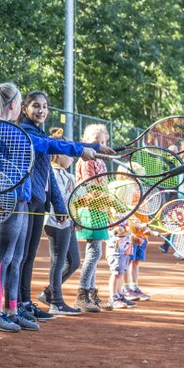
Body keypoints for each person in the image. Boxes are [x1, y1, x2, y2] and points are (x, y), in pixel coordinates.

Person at [0, 85, 100, 333]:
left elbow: (44, 145)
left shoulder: (11, 129)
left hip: (23, 198)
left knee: (16, 257)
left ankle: (13, 310)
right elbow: (45, 146)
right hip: (11, 199)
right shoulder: (5, 130)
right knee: (5, 257)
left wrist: (93, 148)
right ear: (16, 105)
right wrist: (83, 149)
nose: (40, 110)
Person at [15, 91, 101, 323]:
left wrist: (59, 205)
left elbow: (48, 179)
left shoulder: (39, 133)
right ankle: (18, 304)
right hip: (27, 200)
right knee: (22, 256)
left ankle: (24, 303)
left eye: (44, 106)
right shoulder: (26, 132)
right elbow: (50, 146)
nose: (41, 110)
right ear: (24, 108)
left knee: (29, 256)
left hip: (39, 201)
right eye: (36, 106)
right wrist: (82, 148)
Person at [40, 134, 83, 315]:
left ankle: (49, 292)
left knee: (74, 262)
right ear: (57, 154)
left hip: (67, 223)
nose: (71, 157)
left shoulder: (68, 175)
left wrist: (75, 218)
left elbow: (73, 200)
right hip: (55, 222)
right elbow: (55, 199)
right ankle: (56, 302)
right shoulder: (51, 172)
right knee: (58, 261)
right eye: (68, 152)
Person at [74, 123, 112, 313]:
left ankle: (91, 293)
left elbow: (103, 187)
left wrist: (109, 204)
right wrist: (109, 200)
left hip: (100, 210)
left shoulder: (101, 162)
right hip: (89, 209)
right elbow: (90, 187)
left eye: (104, 142)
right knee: (94, 252)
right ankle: (82, 295)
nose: (101, 146)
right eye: (97, 142)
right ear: (87, 142)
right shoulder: (87, 160)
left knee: (95, 252)